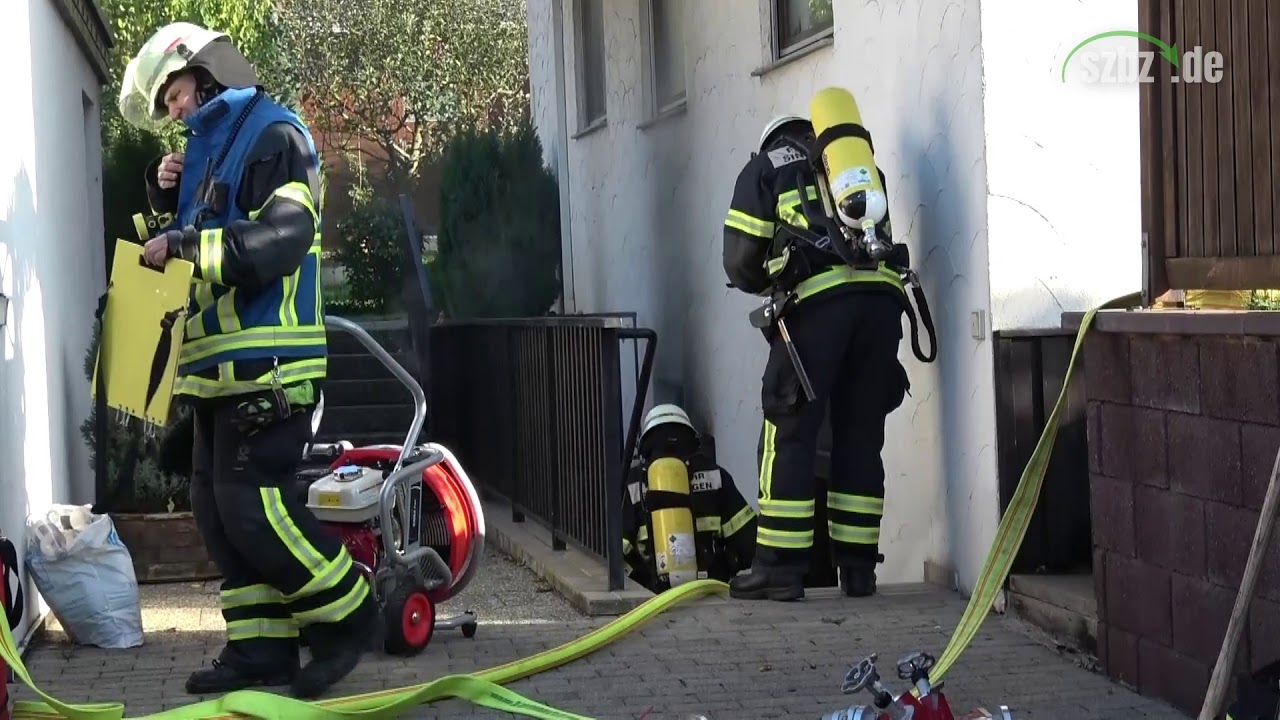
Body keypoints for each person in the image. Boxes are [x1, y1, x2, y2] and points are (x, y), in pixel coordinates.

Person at [117, 22, 377, 698]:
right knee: (216, 510)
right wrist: (166, 201)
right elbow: (195, 248)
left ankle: (351, 614)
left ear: (205, 73)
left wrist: (182, 243)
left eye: (175, 93)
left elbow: (280, 239)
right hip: (218, 373)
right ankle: (261, 651)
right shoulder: (211, 153)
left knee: (255, 507)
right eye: (166, 103)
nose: (174, 110)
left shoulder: (274, 135)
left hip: (270, 365)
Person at [721, 114, 911, 602]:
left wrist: (771, 281)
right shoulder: (857, 168)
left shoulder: (766, 168)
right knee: (860, 433)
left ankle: (779, 568)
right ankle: (859, 569)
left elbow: (740, 261)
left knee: (789, 429)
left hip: (818, 308)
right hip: (882, 303)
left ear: (771, 140)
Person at [621, 404, 757, 591]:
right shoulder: (716, 475)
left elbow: (616, 552)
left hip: (655, 595)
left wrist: (639, 581)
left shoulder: (633, 483)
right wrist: (727, 568)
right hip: (709, 588)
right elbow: (747, 540)